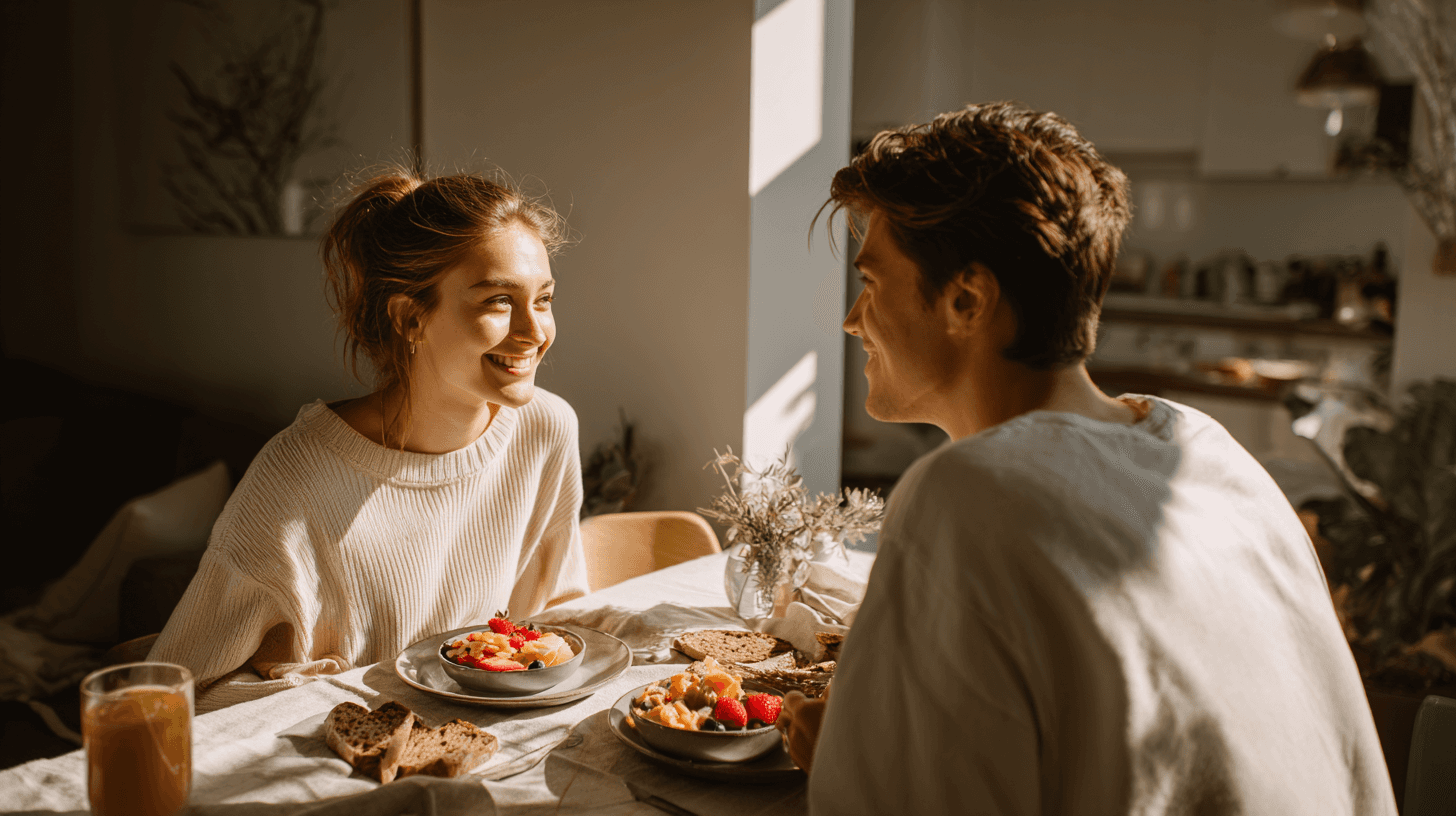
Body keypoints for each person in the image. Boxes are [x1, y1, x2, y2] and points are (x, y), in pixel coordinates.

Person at [776, 103, 1396, 815]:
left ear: (966, 298)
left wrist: (842, 757)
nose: (852, 319)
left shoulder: (964, 493)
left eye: (871, 283)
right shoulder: (1210, 450)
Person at [150, 170, 590, 712]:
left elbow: (555, 624)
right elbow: (176, 695)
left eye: (543, 299)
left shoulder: (545, 429)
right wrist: (331, 694)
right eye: (499, 301)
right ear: (410, 318)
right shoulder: (297, 473)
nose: (534, 332)